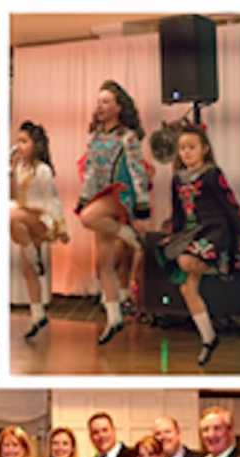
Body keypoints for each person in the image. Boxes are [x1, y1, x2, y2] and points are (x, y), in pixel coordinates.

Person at [158, 124, 240, 366]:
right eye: (182, 148)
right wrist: (174, 232)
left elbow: (230, 203)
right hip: (191, 232)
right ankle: (208, 337)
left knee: (186, 261)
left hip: (214, 230)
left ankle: (225, 265)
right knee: (186, 288)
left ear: (204, 149)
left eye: (191, 147)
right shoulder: (177, 179)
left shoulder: (212, 173)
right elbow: (179, 212)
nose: (186, 153)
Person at [76, 79, 150, 345]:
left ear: (119, 107)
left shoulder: (127, 137)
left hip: (122, 194)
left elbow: (138, 172)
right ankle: (114, 317)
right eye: (98, 101)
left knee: (88, 218)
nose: (101, 105)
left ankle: (129, 235)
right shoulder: (94, 137)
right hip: (100, 195)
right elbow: (92, 173)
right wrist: (84, 198)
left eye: (106, 101)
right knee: (103, 266)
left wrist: (142, 210)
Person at [10, 120, 69, 338]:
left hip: (43, 217)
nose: (19, 146)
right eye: (18, 141)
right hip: (24, 218)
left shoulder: (43, 170)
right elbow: (15, 195)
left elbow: (53, 200)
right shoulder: (18, 168)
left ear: (36, 145)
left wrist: (62, 227)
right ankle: (37, 314)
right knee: (28, 270)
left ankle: (35, 257)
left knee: (11, 215)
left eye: (24, 141)